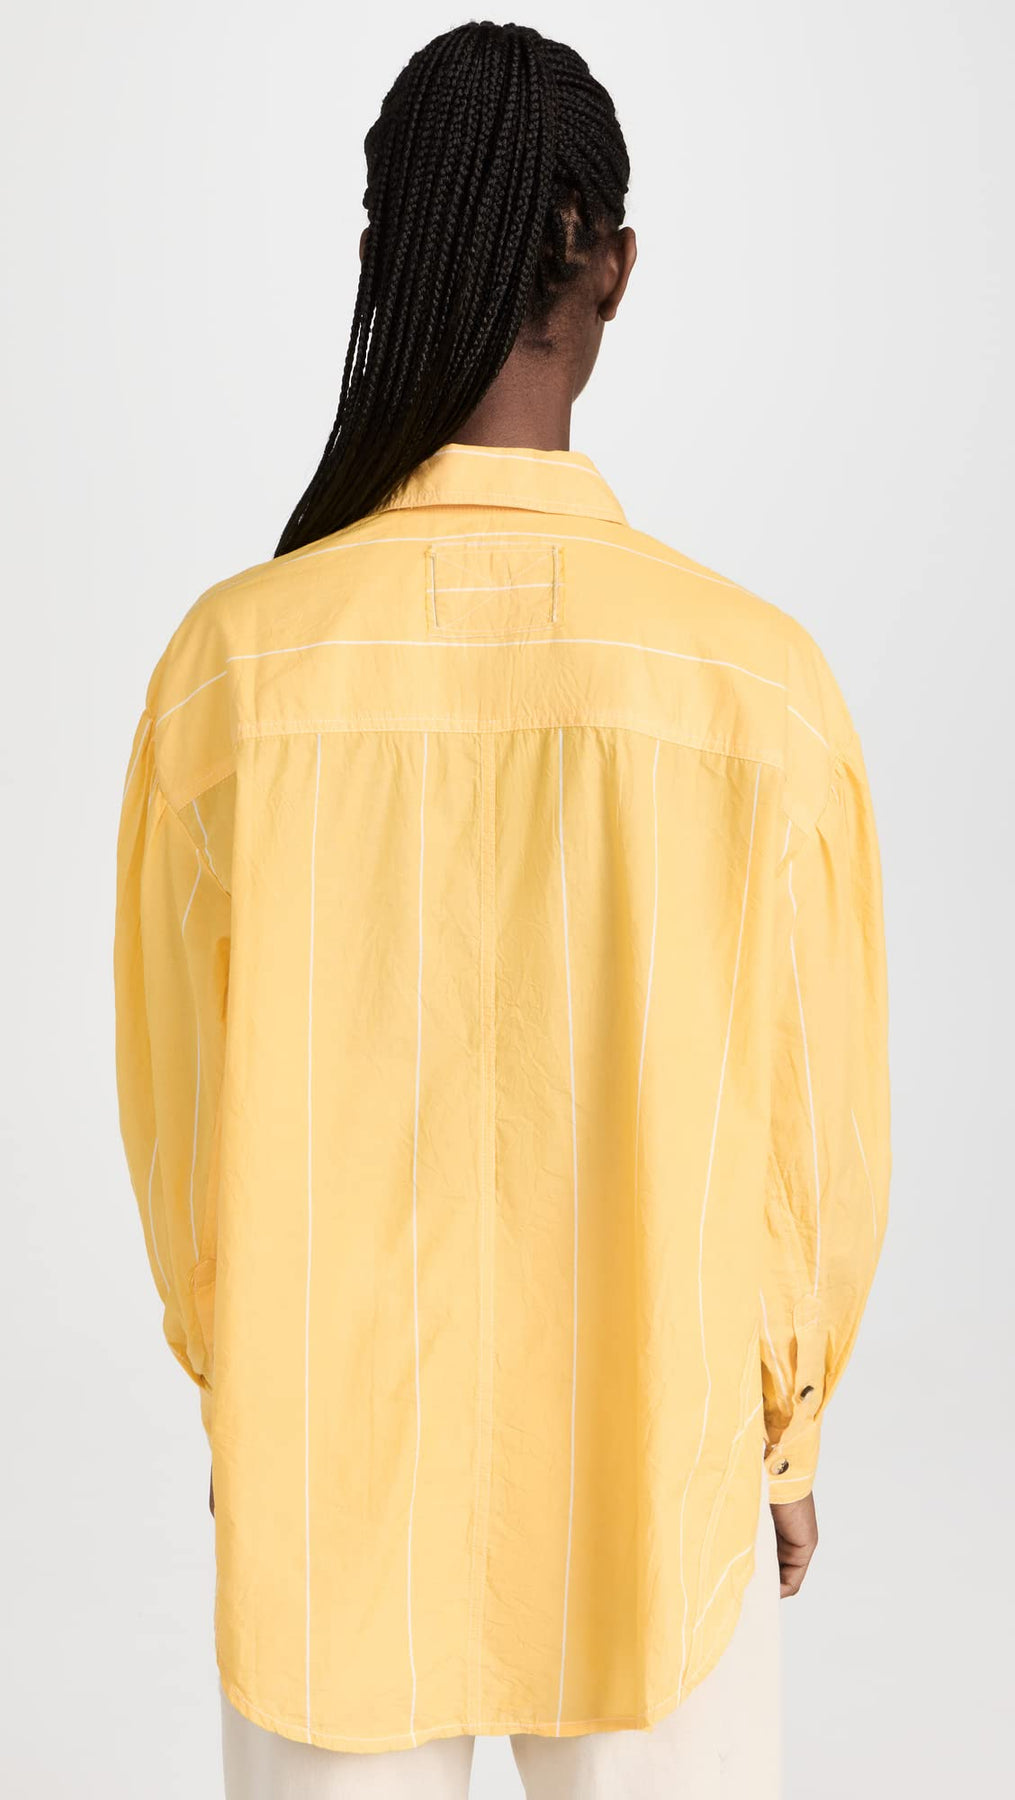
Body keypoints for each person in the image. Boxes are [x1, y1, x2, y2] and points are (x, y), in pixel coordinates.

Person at [113, 20, 891, 1798]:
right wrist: (785, 1425)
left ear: (381, 254)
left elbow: (179, 1118)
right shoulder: (756, 684)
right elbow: (813, 1115)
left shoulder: (231, 670)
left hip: (328, 1482)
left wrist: (247, 1386)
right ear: (613, 265)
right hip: (664, 1481)